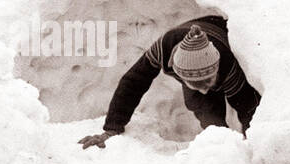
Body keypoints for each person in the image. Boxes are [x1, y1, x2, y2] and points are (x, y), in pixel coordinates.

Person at [79, 16, 260, 148]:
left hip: (221, 37)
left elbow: (248, 108)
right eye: (198, 84)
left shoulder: (228, 65)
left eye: (209, 82)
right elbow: (133, 83)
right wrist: (112, 128)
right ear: (179, 72)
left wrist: (254, 144)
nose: (205, 90)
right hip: (194, 53)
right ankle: (221, 149)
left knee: (241, 104)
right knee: (207, 113)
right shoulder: (163, 49)